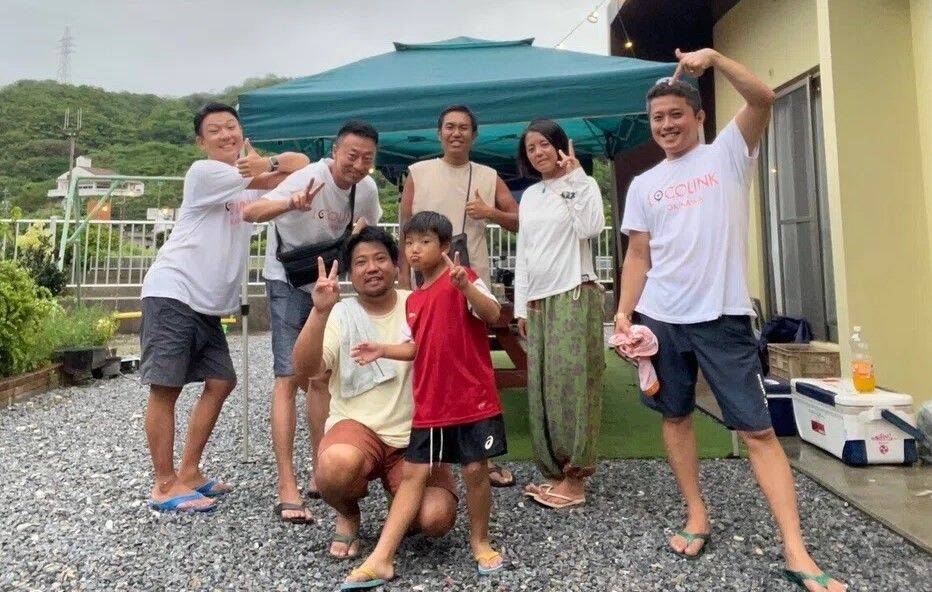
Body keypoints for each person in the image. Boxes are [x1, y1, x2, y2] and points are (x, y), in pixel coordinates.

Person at [616, 48, 845, 592]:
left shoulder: (727, 154)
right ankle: (696, 513)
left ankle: (795, 549)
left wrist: (716, 58)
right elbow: (638, 255)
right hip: (661, 319)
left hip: (722, 317)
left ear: (699, 116)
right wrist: (624, 311)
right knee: (675, 415)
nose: (666, 125)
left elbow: (763, 97)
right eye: (658, 118)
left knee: (758, 430)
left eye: (676, 114)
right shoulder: (644, 184)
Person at [140, 102, 309, 513]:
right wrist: (264, 165)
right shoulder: (204, 173)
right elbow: (273, 172)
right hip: (174, 290)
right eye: (214, 130)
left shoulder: (244, 184)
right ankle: (164, 484)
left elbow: (301, 165)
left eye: (231, 127)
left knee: (221, 381)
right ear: (201, 142)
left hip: (206, 304)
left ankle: (190, 471)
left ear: (242, 132)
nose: (225, 135)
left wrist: (268, 168)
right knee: (166, 387)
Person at [341, 211, 506, 589]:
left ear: (445, 246)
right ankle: (381, 557)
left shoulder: (462, 278)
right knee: (414, 475)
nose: (414, 249)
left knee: (475, 470)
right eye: (409, 242)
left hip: (472, 400)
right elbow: (415, 346)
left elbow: (493, 314)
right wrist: (382, 349)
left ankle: (480, 542)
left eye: (425, 242)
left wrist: (466, 287)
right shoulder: (413, 300)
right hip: (430, 404)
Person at [243, 120, 382, 523]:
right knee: (287, 378)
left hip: (326, 284)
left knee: (321, 376)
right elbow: (252, 211)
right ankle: (286, 483)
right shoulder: (309, 175)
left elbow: (368, 226)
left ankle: (322, 470)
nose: (358, 165)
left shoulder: (366, 188)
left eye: (367, 159)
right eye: (351, 155)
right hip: (287, 281)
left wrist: (360, 235)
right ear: (335, 151)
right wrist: (291, 203)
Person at [291, 227, 457, 559]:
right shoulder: (341, 313)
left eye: (380, 259)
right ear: (350, 273)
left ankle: (401, 507)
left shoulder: (418, 303)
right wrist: (319, 312)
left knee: (436, 517)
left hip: (415, 436)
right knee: (335, 466)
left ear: (396, 265)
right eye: (361, 262)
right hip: (357, 427)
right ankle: (348, 513)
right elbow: (307, 368)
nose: (372, 268)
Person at [399, 104, 519, 488]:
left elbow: (519, 220)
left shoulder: (487, 174)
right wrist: (404, 282)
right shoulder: (418, 172)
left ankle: (481, 453)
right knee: (425, 362)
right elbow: (404, 229)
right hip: (423, 285)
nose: (456, 133)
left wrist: (490, 212)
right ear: (439, 133)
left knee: (474, 365)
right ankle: (433, 453)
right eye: (449, 127)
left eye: (464, 127)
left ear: (474, 135)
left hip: (469, 283)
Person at [513, 119, 606, 509]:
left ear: (560, 146)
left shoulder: (582, 185)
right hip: (539, 299)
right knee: (544, 387)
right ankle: (554, 472)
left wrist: (575, 180)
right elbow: (525, 252)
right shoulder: (530, 196)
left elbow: (591, 228)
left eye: (544, 144)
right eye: (531, 147)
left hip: (573, 292)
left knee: (573, 386)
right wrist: (521, 304)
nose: (538, 152)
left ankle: (575, 480)